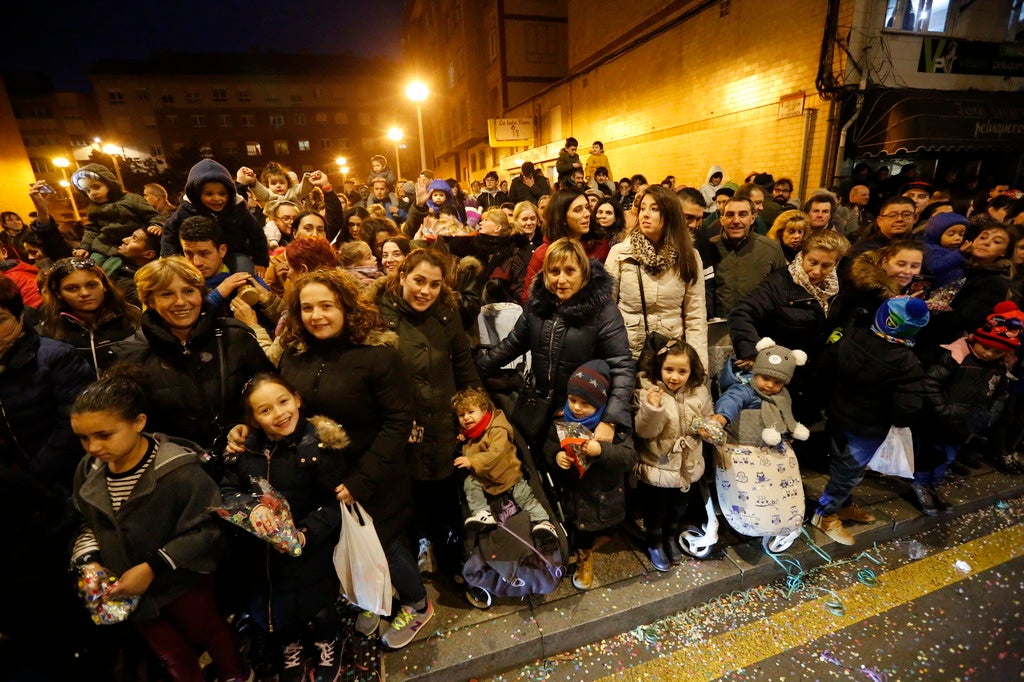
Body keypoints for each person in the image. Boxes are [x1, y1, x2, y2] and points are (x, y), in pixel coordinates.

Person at [263, 269, 431, 650]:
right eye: (307, 308)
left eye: (326, 306)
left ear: (346, 307)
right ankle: (375, 597)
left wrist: (362, 480)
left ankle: (418, 602)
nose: (316, 316)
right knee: (348, 545)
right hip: (322, 475)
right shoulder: (293, 354)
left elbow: (398, 421)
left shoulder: (377, 355)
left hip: (373, 471)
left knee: (383, 541)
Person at [69, 368, 250, 682]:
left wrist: (153, 567)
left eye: (104, 435)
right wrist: (89, 559)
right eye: (84, 438)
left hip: (182, 583)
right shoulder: (88, 470)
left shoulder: (179, 470)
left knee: (208, 632)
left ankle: (237, 674)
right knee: (169, 653)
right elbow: (86, 521)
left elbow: (208, 529)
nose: (93, 447)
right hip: (127, 589)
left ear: (139, 422)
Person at [221, 373, 348, 680]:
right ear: (253, 418)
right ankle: (291, 646)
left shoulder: (319, 446)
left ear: (297, 399)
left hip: (311, 546)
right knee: (277, 607)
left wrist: (306, 534)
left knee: (319, 604)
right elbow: (226, 489)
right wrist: (250, 508)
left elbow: (335, 503)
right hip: (262, 552)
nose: (279, 414)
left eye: (283, 402)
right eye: (265, 410)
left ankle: (327, 642)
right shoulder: (246, 449)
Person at [0, 276, 95, 679]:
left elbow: (73, 423)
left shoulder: (55, 357)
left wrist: (31, 482)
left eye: (0, 320)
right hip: (12, 507)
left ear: (19, 317)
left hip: (66, 490)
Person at [375, 249, 481, 575]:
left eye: (434, 285)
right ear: (402, 276)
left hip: (443, 417)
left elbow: (463, 365)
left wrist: (477, 409)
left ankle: (449, 550)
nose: (426, 291)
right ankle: (420, 543)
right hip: (402, 423)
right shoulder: (379, 315)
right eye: (419, 281)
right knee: (412, 488)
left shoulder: (447, 314)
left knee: (445, 485)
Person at [479, 238, 635, 452]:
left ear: (583, 272)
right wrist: (477, 369)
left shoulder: (603, 311)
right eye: (554, 271)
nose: (561, 280)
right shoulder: (537, 304)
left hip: (581, 413)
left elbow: (621, 367)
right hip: (540, 408)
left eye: (570, 271)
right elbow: (514, 343)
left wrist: (611, 420)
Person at [111, 257, 272, 450]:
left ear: (201, 294)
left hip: (240, 453)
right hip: (176, 462)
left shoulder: (236, 336)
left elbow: (269, 393)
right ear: (150, 301)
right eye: (167, 294)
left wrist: (246, 427)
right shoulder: (131, 355)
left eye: (188, 291)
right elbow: (130, 425)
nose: (180, 302)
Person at [810, 297, 929, 545]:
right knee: (849, 473)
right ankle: (825, 515)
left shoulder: (852, 335)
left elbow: (822, 368)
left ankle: (843, 505)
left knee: (840, 465)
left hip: (837, 413)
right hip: (867, 429)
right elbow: (906, 411)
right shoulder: (908, 364)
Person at [911, 302, 1023, 515]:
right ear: (976, 340)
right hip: (941, 421)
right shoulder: (957, 357)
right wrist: (943, 410)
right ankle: (921, 484)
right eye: (986, 347)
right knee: (930, 455)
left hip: (967, 424)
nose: (989, 354)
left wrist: (989, 416)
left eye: (997, 351)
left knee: (948, 456)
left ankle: (935, 484)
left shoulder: (998, 368)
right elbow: (931, 383)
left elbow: (1000, 395)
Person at [728, 230, 849, 420]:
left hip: (815, 378)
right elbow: (741, 313)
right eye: (812, 262)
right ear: (802, 255)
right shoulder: (778, 284)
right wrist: (753, 352)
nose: (817, 271)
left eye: (826, 265)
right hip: (780, 378)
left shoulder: (839, 287)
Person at [544, 360, 635, 589]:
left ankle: (599, 541)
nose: (576, 407)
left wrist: (602, 450)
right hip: (574, 493)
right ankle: (585, 558)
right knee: (582, 530)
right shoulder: (560, 419)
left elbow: (628, 457)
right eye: (572, 400)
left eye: (585, 403)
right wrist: (556, 456)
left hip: (605, 492)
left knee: (607, 526)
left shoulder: (614, 428)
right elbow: (548, 445)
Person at [605, 185, 708, 370]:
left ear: (670, 214)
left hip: (670, 357)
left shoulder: (689, 256)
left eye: (654, 209)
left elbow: (695, 316)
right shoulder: (620, 253)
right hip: (627, 354)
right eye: (643, 208)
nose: (645, 214)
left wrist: (698, 367)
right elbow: (607, 309)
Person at [633, 339, 713, 570]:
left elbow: (708, 417)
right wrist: (652, 408)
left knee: (679, 507)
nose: (674, 377)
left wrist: (709, 427)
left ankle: (669, 535)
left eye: (682, 371)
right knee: (655, 510)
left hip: (687, 464)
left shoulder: (699, 392)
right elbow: (644, 432)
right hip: (658, 464)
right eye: (668, 369)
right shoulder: (647, 391)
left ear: (691, 371)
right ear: (659, 367)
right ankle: (655, 542)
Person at [452, 387, 556, 537]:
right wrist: (462, 442)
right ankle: (482, 513)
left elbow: (497, 453)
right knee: (470, 483)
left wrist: (471, 460)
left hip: (508, 473)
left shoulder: (498, 429)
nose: (466, 418)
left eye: (471, 412)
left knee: (524, 497)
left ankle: (544, 521)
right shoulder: (471, 433)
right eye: (461, 415)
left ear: (484, 410)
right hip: (486, 476)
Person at [37, 257, 140, 376]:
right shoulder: (47, 332)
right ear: (58, 293)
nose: (85, 293)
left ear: (104, 285)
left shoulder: (133, 317)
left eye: (92, 285)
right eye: (72, 288)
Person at [712, 339, 810, 447]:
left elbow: (784, 415)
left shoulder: (782, 396)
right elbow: (732, 399)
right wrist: (722, 417)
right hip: (743, 439)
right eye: (765, 378)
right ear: (755, 375)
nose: (770, 385)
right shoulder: (746, 389)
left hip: (771, 442)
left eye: (777, 382)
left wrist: (787, 433)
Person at [71, 163, 165, 274]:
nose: (93, 193)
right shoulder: (93, 209)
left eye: (96, 187)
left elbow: (153, 215)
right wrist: (84, 247)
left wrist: (156, 225)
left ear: (109, 184)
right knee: (91, 267)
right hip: (103, 245)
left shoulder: (132, 200)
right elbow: (92, 230)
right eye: (87, 190)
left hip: (128, 246)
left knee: (109, 269)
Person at [707, 196, 787, 317]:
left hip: (758, 323)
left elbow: (781, 292)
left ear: (753, 218)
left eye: (743, 214)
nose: (736, 220)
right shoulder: (709, 247)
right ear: (722, 219)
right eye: (730, 215)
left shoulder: (771, 249)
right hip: (719, 323)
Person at [522, 187, 604, 303]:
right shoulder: (544, 254)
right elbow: (529, 298)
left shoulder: (599, 247)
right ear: (562, 217)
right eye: (578, 210)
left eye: (587, 207)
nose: (587, 214)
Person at [920, 212, 969, 289]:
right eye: (951, 234)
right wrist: (959, 254)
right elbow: (934, 267)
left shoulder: (954, 250)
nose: (958, 238)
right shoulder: (930, 249)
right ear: (935, 233)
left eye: (961, 234)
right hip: (936, 290)